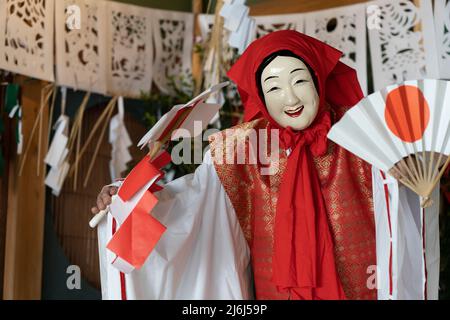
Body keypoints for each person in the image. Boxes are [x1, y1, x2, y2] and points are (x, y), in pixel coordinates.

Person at [93, 30, 439, 300]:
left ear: (318, 78)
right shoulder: (242, 151)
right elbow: (190, 211)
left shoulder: (364, 133)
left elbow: (407, 193)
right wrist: (128, 201)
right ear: (259, 95)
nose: (289, 98)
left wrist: (412, 173)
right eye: (273, 87)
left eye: (300, 80)